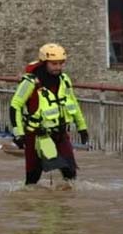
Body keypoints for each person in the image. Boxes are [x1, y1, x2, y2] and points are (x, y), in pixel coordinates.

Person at [10, 43, 89, 185]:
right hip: (36, 136)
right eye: (54, 64)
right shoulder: (30, 82)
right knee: (33, 178)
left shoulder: (64, 80)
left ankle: (66, 203)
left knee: (70, 172)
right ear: (44, 63)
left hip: (60, 134)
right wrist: (18, 134)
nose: (58, 67)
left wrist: (82, 127)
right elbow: (15, 106)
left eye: (60, 63)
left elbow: (73, 103)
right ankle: (30, 204)